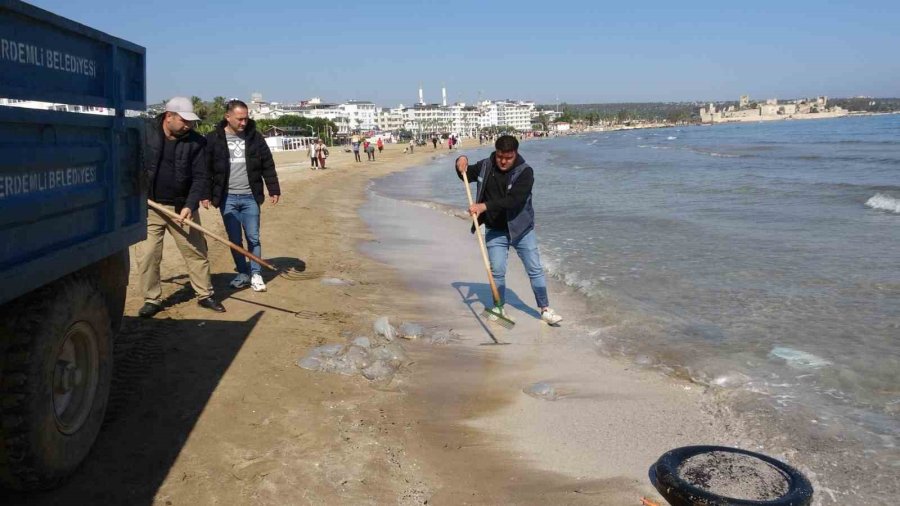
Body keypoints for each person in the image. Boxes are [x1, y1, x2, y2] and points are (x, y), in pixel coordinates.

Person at [455, 134, 562, 325]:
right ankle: (498, 307)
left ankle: (545, 309)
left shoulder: (525, 172)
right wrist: (460, 161)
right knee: (497, 270)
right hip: (495, 229)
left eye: (508, 158)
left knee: (534, 268)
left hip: (521, 230)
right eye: (500, 157)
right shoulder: (486, 166)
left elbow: (514, 200)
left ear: (515, 154)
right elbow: (465, 173)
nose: (503, 161)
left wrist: (483, 207)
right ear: (495, 153)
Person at [137, 96, 225, 317]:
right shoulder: (145, 132)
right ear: (169, 116)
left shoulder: (196, 142)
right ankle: (152, 299)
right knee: (147, 256)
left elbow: (200, 177)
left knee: (196, 251)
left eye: (191, 122)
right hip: (149, 207)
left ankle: (204, 294)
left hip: (181, 209)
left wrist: (189, 206)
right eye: (184, 121)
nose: (188, 125)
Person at [206, 100, 281, 292]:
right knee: (234, 240)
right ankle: (242, 273)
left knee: (253, 238)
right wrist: (205, 194)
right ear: (227, 117)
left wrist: (273, 189)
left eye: (246, 119)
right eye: (239, 119)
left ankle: (256, 274)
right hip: (227, 198)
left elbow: (268, 165)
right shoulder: (214, 138)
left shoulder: (255, 138)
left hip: (250, 197)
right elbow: (205, 169)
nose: (243, 123)